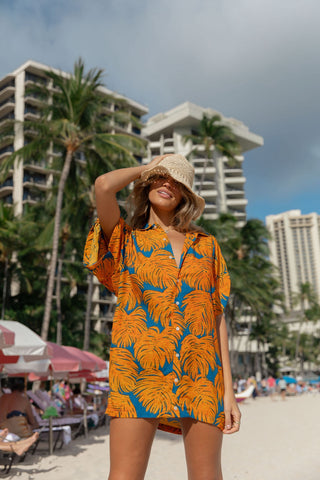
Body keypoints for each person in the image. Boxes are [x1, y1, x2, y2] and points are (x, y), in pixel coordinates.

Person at [83, 154, 241, 480]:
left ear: (184, 195)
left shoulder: (208, 246)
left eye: (176, 181)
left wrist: (229, 392)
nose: (167, 183)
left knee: (207, 475)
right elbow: (103, 186)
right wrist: (150, 168)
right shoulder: (125, 240)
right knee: (124, 475)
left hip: (201, 372)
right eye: (161, 178)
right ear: (148, 184)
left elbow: (216, 318)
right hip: (137, 369)